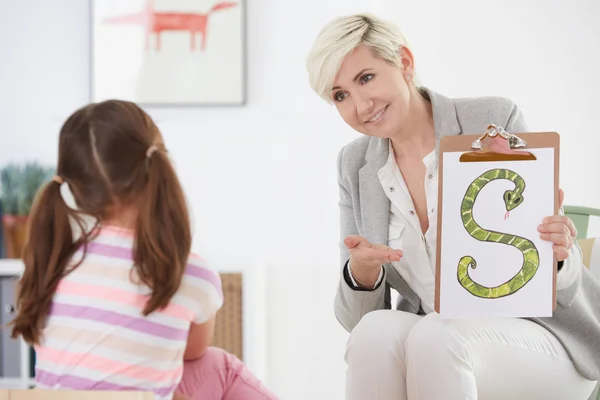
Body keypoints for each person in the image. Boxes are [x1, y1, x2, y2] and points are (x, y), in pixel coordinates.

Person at [305, 12, 600, 400]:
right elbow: (357, 321)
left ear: (404, 63)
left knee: (435, 335)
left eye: (366, 78)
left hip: (542, 337)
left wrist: (559, 253)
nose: (361, 104)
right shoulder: (355, 163)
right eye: (340, 95)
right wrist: (361, 272)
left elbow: (553, 270)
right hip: (441, 340)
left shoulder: (492, 120)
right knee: (374, 333)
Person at [9, 100, 279, 400]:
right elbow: (193, 350)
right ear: (156, 168)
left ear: (74, 187)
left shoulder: (51, 265)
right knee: (219, 365)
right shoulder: (189, 274)